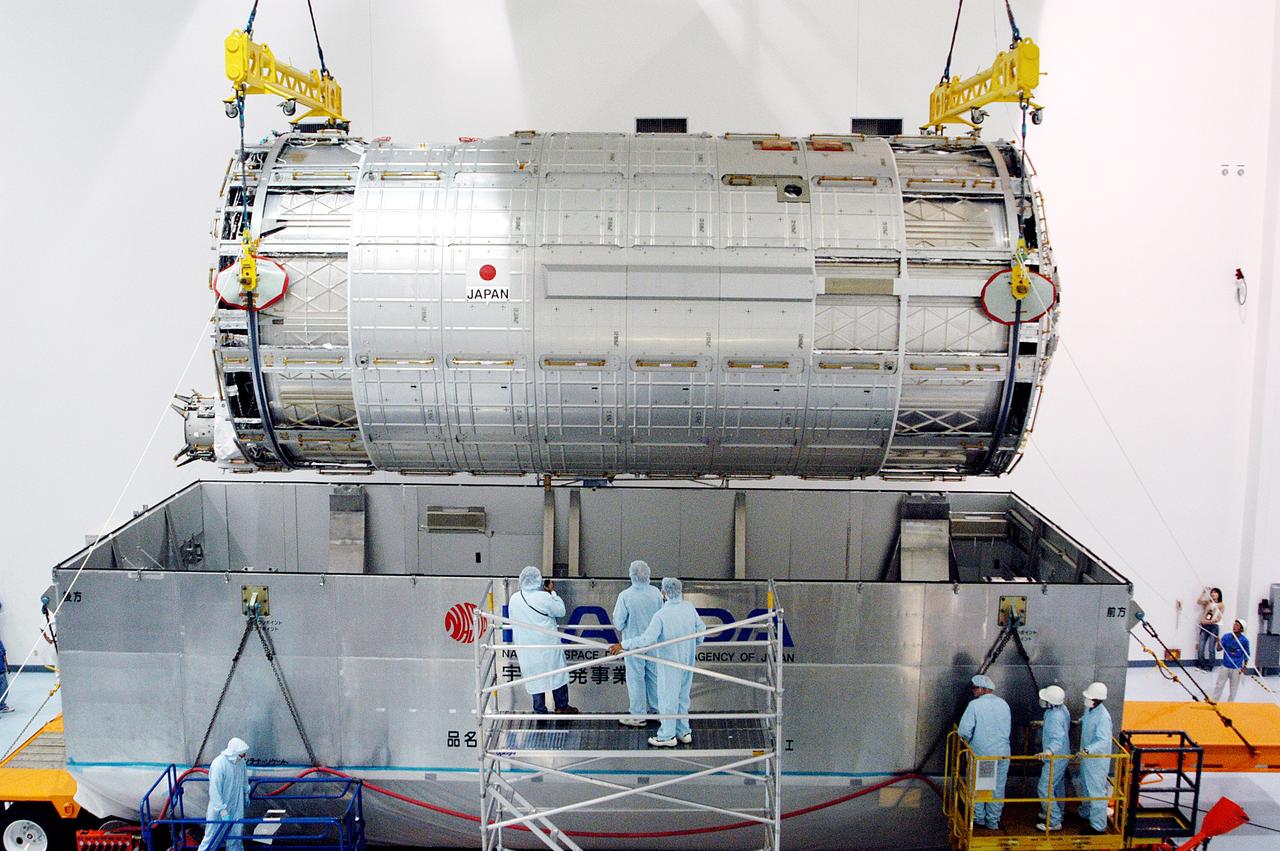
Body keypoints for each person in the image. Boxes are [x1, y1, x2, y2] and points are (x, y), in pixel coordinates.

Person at [608, 577, 706, 747]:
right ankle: (683, 731)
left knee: (668, 698)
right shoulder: (689, 608)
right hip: (687, 661)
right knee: (683, 697)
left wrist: (623, 645)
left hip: (669, 663)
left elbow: (646, 639)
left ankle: (667, 736)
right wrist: (695, 643)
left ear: (664, 592)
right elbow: (701, 630)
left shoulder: (662, 615)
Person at [508, 566, 578, 714]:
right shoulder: (544, 597)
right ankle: (562, 706)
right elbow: (560, 610)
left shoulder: (515, 598)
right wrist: (552, 592)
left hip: (527, 647)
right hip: (548, 646)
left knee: (535, 677)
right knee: (557, 674)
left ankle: (539, 710)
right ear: (538, 580)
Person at [612, 560, 664, 727]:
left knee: (635, 679)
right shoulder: (656, 593)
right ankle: (657, 712)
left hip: (633, 645)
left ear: (631, 575)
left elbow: (619, 623)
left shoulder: (625, 596)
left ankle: (638, 714)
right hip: (654, 643)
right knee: (654, 677)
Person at [958, 674, 1012, 830]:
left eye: (975, 688)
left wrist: (968, 742)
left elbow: (963, 731)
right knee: (998, 788)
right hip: (1002, 753)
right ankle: (993, 821)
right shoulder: (1004, 704)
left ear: (982, 689)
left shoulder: (975, 705)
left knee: (981, 787)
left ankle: (979, 819)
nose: (973, 691)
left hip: (983, 755)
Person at [198, 737, 250, 851]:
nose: (243, 756)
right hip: (219, 808)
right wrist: (221, 809)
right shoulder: (219, 764)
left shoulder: (241, 763)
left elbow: (244, 779)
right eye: (241, 754)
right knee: (212, 837)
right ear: (234, 752)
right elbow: (214, 790)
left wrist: (246, 793)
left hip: (236, 805)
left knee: (236, 835)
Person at [1077, 682, 1113, 833]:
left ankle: (1098, 827)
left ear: (1097, 700)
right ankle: (1085, 813)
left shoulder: (1103, 717)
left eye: (1089, 697)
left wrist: (1088, 749)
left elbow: (1104, 740)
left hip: (1096, 761)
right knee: (1085, 786)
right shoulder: (1090, 709)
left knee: (1096, 792)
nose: (1087, 700)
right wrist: (1076, 722)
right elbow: (1085, 720)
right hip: (1087, 758)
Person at [1034, 685, 1071, 832]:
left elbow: (1057, 737)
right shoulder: (1061, 710)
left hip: (1056, 756)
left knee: (1044, 788)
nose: (1041, 701)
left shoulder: (1055, 716)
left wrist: (1049, 751)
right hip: (1063, 755)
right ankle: (1057, 813)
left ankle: (1054, 821)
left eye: (1044, 699)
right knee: (1057, 787)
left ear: (1051, 702)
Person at [1212, 619, 1251, 703]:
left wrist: (1245, 667)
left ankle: (1230, 704)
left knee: (1233, 688)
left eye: (1237, 625)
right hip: (1225, 666)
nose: (1234, 626)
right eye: (1234, 624)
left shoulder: (1244, 641)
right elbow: (1218, 649)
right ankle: (1214, 702)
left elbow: (1247, 655)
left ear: (1241, 628)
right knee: (1219, 685)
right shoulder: (1226, 637)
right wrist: (1218, 642)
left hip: (1236, 668)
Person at [1196, 587, 1224, 671]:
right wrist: (1203, 592)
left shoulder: (1221, 604)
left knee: (1211, 648)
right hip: (1204, 626)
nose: (1213, 594)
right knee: (1201, 647)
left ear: (1219, 594)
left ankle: (1210, 665)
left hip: (1213, 627)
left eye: (1215, 592)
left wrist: (1206, 622)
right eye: (1212, 592)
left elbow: (1218, 619)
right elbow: (1198, 602)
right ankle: (1201, 663)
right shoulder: (1208, 602)